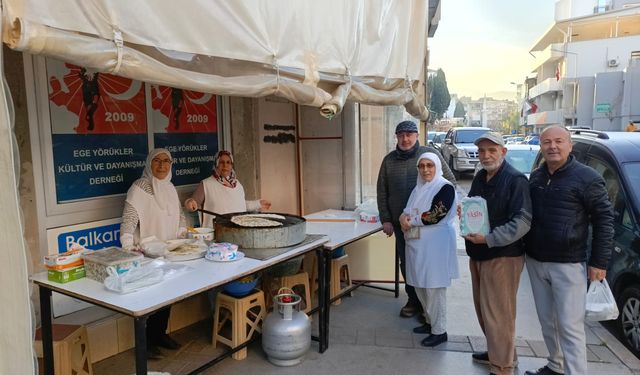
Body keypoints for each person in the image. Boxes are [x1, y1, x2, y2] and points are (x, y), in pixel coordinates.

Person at [525, 125, 614, 375]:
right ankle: (556, 366)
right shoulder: (537, 176)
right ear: (541, 146)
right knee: (547, 322)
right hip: (536, 260)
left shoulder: (587, 177)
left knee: (570, 327)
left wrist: (599, 262)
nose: (552, 146)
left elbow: (604, 220)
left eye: (559, 141)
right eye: (547, 142)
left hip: (569, 263)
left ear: (569, 145)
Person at [463, 131, 532, 375]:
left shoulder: (515, 180)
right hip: (479, 253)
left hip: (503, 256)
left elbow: (522, 222)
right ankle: (499, 352)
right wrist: (466, 219)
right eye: (482, 151)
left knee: (499, 315)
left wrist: (490, 238)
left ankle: (502, 367)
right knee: (485, 311)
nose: (486, 155)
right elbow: (473, 206)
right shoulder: (481, 177)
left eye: (492, 150)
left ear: (503, 151)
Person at [377, 120, 456, 319]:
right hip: (401, 225)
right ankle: (414, 300)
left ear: (416, 136)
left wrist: (451, 207)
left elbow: (450, 182)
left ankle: (429, 309)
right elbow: (381, 191)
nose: (405, 139)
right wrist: (386, 219)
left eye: (409, 134)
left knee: (428, 267)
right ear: (396, 137)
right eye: (401, 135)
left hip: (429, 228)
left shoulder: (430, 155)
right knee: (407, 263)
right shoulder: (388, 161)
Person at [120, 148, 185, 359]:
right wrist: (128, 245)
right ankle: (145, 343)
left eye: (166, 161)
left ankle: (160, 335)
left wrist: (184, 234)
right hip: (146, 253)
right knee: (149, 299)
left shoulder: (171, 188)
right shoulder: (139, 188)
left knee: (168, 297)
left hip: (168, 251)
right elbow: (129, 219)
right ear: (149, 163)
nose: (162, 165)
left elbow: (180, 216)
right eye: (157, 161)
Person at [399, 152, 459, 347]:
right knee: (420, 285)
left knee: (434, 287)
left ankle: (440, 331)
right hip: (417, 246)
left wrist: (411, 221)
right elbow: (408, 209)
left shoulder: (444, 187)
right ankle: (429, 321)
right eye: (422, 166)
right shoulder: (418, 189)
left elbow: (436, 215)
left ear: (437, 167)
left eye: (429, 166)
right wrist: (402, 217)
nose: (425, 170)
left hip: (435, 247)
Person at [184, 150, 271, 225]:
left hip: (236, 230)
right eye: (221, 162)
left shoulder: (237, 185)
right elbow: (193, 204)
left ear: (231, 165)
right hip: (216, 232)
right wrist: (189, 203)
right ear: (216, 164)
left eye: (228, 162)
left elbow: (239, 205)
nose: (225, 166)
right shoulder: (206, 184)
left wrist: (258, 203)